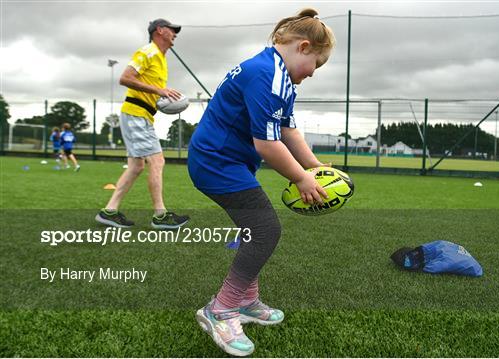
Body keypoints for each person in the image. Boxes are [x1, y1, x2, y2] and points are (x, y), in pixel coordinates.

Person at [188, 8, 335, 356]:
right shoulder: (267, 74)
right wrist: (301, 179)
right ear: (303, 47)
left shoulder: (278, 74)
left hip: (228, 162)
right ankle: (220, 309)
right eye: (316, 63)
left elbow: (287, 130)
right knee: (266, 230)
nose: (313, 74)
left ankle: (247, 300)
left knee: (255, 231)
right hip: (216, 163)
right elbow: (267, 145)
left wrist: (313, 166)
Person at [95, 18, 189, 229]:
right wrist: (159, 91)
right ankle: (160, 215)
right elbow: (125, 78)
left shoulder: (162, 59)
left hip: (141, 115)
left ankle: (109, 211)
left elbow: (148, 88)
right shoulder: (148, 52)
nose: (175, 34)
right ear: (160, 31)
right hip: (135, 114)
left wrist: (163, 100)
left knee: (136, 166)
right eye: (172, 30)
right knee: (157, 161)